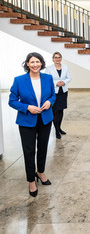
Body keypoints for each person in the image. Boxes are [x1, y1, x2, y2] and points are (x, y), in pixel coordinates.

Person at [8, 52, 56, 197]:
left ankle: (40, 172)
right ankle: (31, 180)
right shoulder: (19, 80)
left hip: (45, 119)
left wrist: (49, 102)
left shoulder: (48, 78)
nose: (35, 64)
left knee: (42, 148)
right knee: (29, 152)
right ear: (27, 64)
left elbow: (53, 95)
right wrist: (27, 107)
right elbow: (12, 100)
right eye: (32, 62)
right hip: (27, 121)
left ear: (41, 64)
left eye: (38, 62)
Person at [45, 52, 71, 139]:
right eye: (55, 57)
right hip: (54, 92)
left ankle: (59, 128)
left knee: (61, 111)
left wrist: (64, 82)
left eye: (59, 57)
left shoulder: (65, 67)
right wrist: (56, 83)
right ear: (53, 59)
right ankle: (56, 130)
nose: (57, 59)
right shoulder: (49, 69)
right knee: (55, 111)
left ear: (61, 58)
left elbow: (69, 77)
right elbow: (47, 80)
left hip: (63, 91)